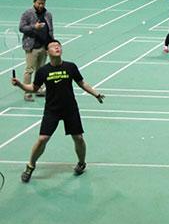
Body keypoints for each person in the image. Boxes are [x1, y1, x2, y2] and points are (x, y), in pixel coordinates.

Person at [11, 39, 105, 183]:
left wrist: (96, 94)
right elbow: (34, 89)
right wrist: (20, 85)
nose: (57, 48)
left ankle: (81, 162)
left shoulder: (70, 67)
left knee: (78, 138)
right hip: (52, 110)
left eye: (58, 46)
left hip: (70, 109)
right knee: (42, 139)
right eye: (53, 47)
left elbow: (82, 83)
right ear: (48, 52)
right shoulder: (43, 71)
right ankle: (30, 166)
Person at [18, 0, 53, 102]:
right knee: (29, 70)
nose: (41, 5)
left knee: (41, 71)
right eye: (39, 3)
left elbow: (50, 31)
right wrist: (34, 27)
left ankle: (38, 89)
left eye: (43, 3)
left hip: (44, 46)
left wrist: (50, 44)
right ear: (34, 2)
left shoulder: (48, 14)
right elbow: (21, 28)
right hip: (32, 46)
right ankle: (27, 92)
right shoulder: (27, 14)